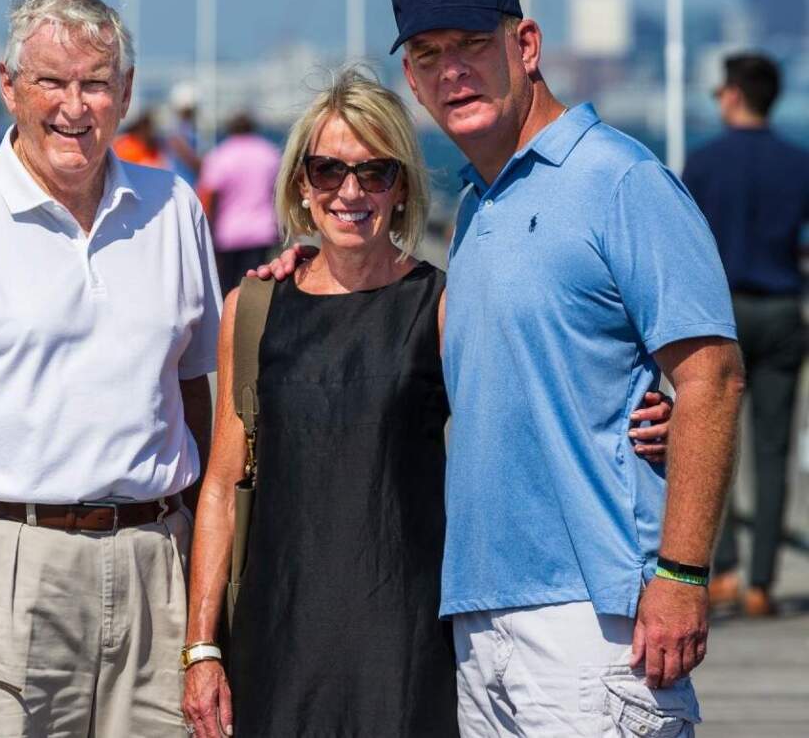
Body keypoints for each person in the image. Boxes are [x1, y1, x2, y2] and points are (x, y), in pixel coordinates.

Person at [259, 0, 744, 737]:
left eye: (472, 46)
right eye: (428, 56)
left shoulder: (619, 180)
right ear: (412, 82)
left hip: (596, 620)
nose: (452, 71)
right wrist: (310, 265)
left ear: (526, 46)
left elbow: (713, 378)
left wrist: (683, 573)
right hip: (478, 621)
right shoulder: (481, 209)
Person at [181, 69, 674, 738]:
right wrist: (202, 648)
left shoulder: (441, 305)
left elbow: (533, 402)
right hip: (278, 630)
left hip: (404, 636)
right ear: (301, 182)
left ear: (403, 186)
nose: (350, 191)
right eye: (328, 170)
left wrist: (646, 412)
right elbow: (220, 484)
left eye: (374, 172)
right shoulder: (253, 310)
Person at [0, 0, 220, 737]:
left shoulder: (176, 208)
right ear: (9, 86)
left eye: (95, 83)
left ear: (124, 92)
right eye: (51, 82)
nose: (74, 106)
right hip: (7, 561)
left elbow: (195, 393)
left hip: (158, 558)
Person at [683, 53, 809, 618]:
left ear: (732, 94)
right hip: (782, 307)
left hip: (720, 313)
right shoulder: (797, 162)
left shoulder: (705, 162)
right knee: (773, 449)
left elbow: (683, 241)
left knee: (715, 437)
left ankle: (725, 570)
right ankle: (762, 583)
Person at [197, 111, 281, 293]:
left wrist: (207, 230)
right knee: (259, 289)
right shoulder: (269, 153)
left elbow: (208, 196)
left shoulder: (220, 155)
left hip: (229, 234)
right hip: (262, 231)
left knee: (227, 288)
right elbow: (279, 193)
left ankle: (231, 320)